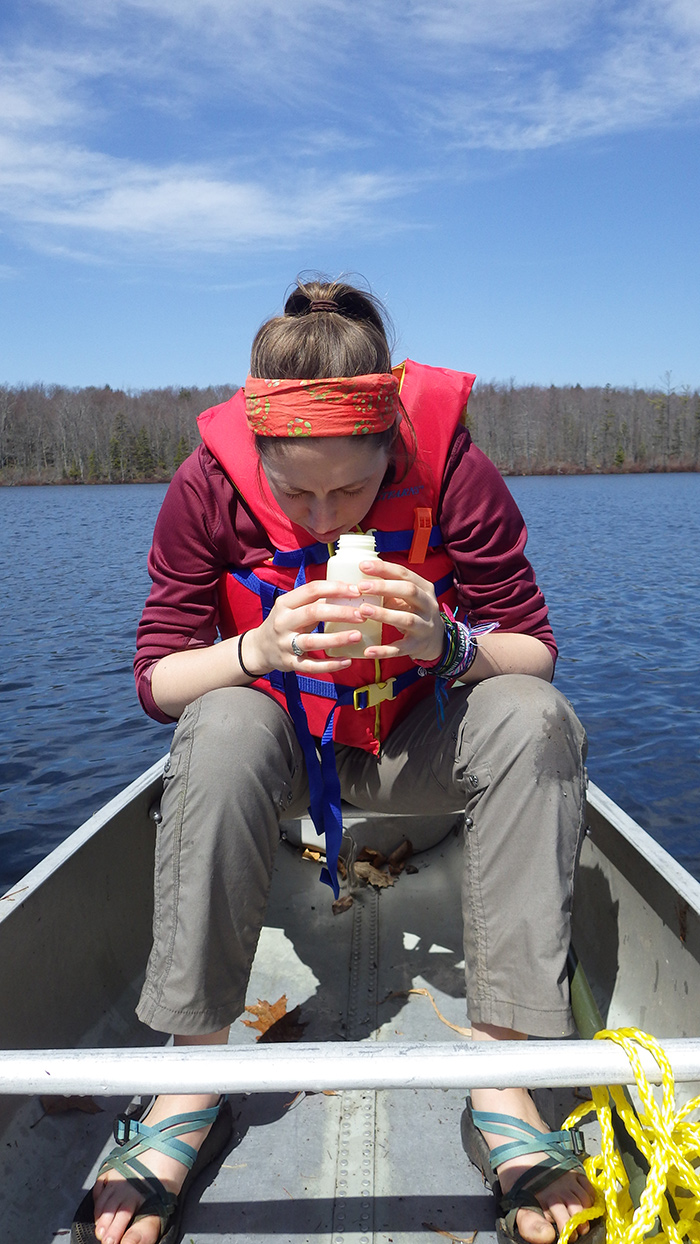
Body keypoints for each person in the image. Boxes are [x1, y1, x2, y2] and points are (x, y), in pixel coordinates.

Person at [72, 277, 599, 1244]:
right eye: (296, 490)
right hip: (277, 753)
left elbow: (538, 651)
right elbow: (154, 681)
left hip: (414, 744)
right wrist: (255, 653)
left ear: (392, 448)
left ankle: (503, 1078)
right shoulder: (207, 486)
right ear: (257, 455)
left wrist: (448, 642)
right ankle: (192, 1079)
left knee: (534, 717)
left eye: (350, 489)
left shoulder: (455, 473)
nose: (322, 517)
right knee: (220, 722)